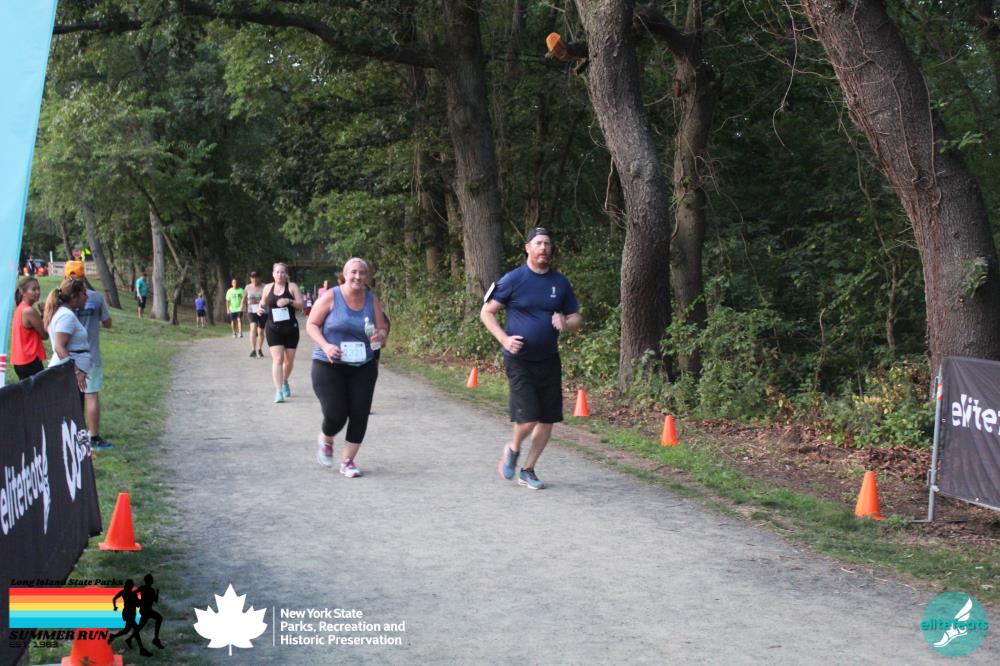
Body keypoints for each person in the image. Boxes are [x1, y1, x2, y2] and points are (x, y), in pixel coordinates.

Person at [480, 227, 582, 490]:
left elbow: (576, 318)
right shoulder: (513, 279)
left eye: (547, 243)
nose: (543, 248)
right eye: (538, 243)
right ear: (527, 248)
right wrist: (504, 339)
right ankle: (513, 449)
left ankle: (528, 470)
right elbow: (486, 313)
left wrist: (566, 323)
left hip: (549, 359)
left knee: (547, 420)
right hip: (519, 359)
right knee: (528, 419)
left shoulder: (560, 283)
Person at [306, 257, 388, 477]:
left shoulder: (372, 300)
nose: (357, 276)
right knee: (336, 413)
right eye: (353, 272)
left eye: (362, 272)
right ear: (344, 274)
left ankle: (348, 461)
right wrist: (326, 345)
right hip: (328, 363)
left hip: (363, 365)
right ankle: (326, 438)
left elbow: (382, 328)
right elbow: (312, 324)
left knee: (360, 413)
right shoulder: (331, 296)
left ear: (367, 276)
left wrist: (380, 336)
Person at [66, 261, 114, 450]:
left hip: (67, 357)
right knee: (91, 396)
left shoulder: (62, 300)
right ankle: (93, 438)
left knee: (71, 398)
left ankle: (72, 437)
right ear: (83, 276)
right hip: (90, 356)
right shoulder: (94, 297)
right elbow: (108, 323)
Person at [258, 262, 304, 402]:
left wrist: (288, 300)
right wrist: (260, 308)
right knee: (278, 359)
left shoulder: (292, 287)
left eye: (282, 272)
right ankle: (278, 392)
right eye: (277, 272)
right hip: (273, 328)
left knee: (289, 361)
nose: (280, 275)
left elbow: (301, 305)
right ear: (273, 274)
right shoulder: (268, 288)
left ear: (286, 274)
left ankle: (284, 381)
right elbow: (263, 302)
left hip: (291, 329)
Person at [43, 277, 91, 393]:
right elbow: (59, 347)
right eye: (84, 293)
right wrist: (76, 373)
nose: (87, 297)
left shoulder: (65, 313)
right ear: (74, 296)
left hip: (69, 376)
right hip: (68, 377)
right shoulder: (66, 316)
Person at [10, 276, 48, 380]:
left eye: (38, 289)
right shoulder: (29, 311)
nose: (38, 292)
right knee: (40, 389)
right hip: (30, 360)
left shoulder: (20, 308)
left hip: (20, 360)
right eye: (34, 289)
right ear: (23, 292)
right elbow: (45, 335)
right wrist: (45, 313)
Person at [107, 579, 150, 657]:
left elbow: (114, 598)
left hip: (126, 613)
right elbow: (138, 604)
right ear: (131, 586)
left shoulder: (123, 592)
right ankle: (141, 648)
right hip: (130, 615)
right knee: (136, 629)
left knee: (126, 631)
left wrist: (115, 607)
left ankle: (113, 636)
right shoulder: (133, 594)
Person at [242, 271, 266, 357]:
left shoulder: (265, 287)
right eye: (252, 277)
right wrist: (242, 305)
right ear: (250, 278)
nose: (254, 279)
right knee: (253, 328)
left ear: (260, 278)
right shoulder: (247, 287)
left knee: (261, 331)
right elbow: (244, 298)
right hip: (251, 310)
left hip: (263, 311)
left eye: (256, 277)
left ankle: (260, 349)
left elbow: (268, 298)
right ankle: (253, 350)